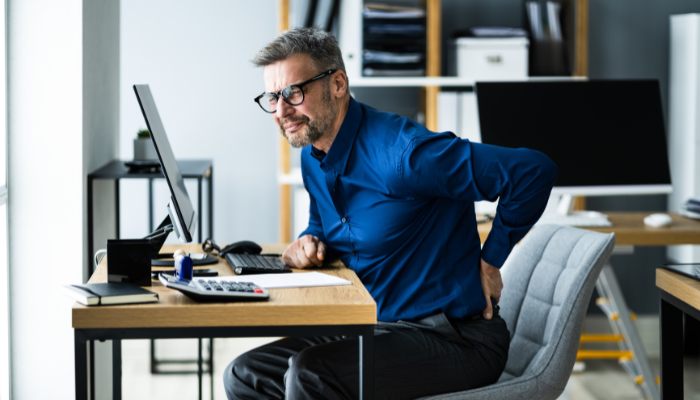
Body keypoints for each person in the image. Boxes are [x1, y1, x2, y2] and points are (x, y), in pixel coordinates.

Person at [224, 27, 558, 400]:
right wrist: (309, 240)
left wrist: (492, 259)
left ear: (337, 84)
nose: (282, 110)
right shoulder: (312, 157)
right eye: (272, 97)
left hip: (453, 337)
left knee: (311, 375)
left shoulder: (406, 155)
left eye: (293, 92)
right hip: (373, 324)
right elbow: (322, 220)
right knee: (245, 373)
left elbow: (532, 172)